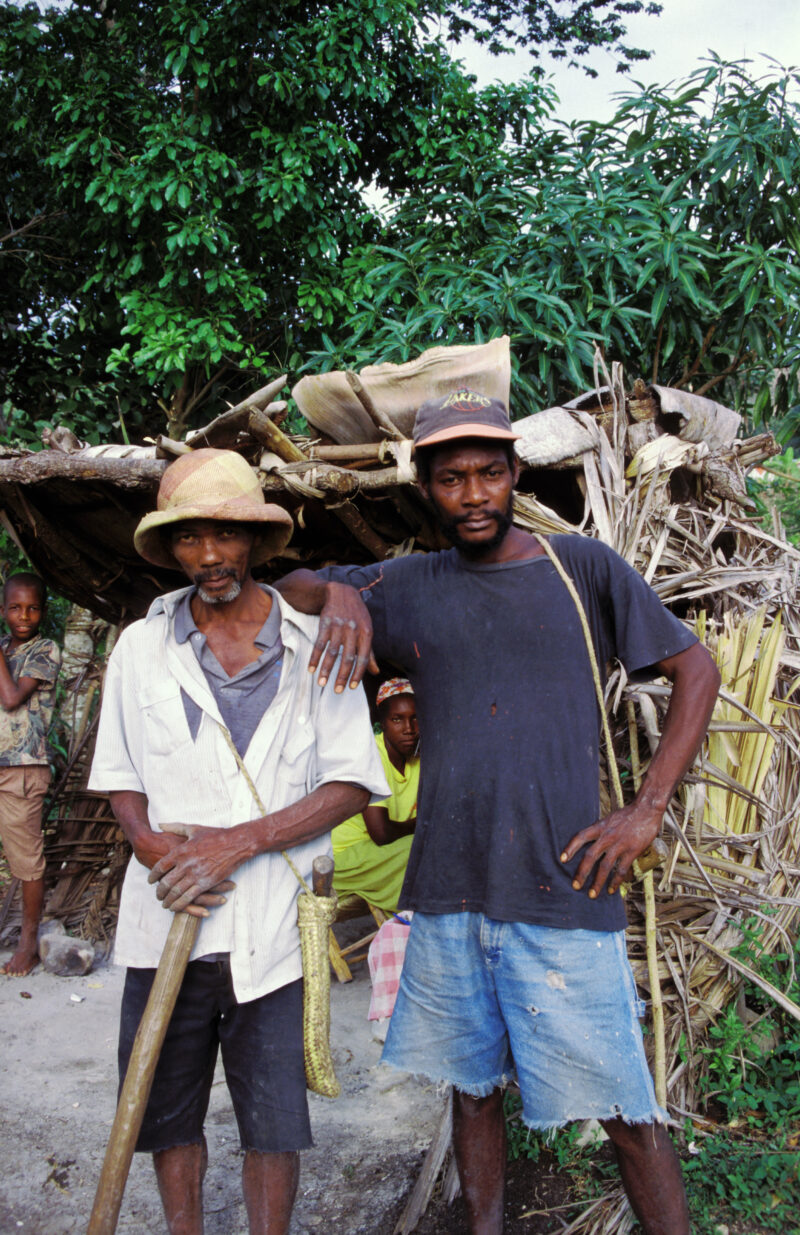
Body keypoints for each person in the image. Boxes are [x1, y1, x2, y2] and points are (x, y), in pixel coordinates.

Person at [276, 388, 721, 1235]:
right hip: (448, 893)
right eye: (451, 479)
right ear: (425, 488)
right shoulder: (409, 582)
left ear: (515, 473)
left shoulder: (581, 569)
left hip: (565, 887)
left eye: (488, 472)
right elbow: (289, 584)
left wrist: (646, 810)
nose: (473, 494)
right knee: (472, 1091)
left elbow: (695, 669)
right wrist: (338, 594)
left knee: (626, 1108)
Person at [87, 448, 388, 1235]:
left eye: (226, 533)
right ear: (171, 547)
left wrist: (237, 842)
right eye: (191, 537)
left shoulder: (315, 643)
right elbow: (120, 774)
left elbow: (352, 783)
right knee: (165, 1111)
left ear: (255, 539)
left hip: (273, 927)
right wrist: (149, 843)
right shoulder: (140, 648)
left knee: (273, 1122)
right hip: (167, 917)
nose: (210, 554)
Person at [0, 572, 61, 978]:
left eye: (32, 608)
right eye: (15, 608)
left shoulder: (45, 649)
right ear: (2, 610)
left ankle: (28, 945)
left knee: (26, 861)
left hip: (22, 769)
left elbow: (11, 699)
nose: (24, 616)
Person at [331, 677, 419, 914]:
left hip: (381, 854)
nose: (409, 729)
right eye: (397, 719)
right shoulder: (371, 756)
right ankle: (412, 922)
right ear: (382, 723)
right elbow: (381, 833)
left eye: (415, 718)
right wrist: (421, 823)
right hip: (345, 860)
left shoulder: (419, 758)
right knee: (420, 849)